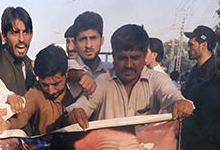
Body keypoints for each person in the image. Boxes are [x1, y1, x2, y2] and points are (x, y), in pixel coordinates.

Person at [66, 24, 194, 128]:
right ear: (114, 56)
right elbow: (81, 106)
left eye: (134, 58)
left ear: (144, 56)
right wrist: (76, 113)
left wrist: (180, 103)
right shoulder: (102, 81)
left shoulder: (158, 79)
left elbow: (171, 94)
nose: (128, 65)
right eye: (122, 58)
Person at [0, 45, 76, 136]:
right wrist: (6, 124)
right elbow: (22, 115)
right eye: (45, 85)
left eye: (56, 84)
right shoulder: (36, 92)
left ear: (67, 73)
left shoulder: (78, 86)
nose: (51, 90)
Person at [67, 11, 112, 98]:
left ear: (102, 40)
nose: (88, 45)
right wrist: (81, 75)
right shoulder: (69, 66)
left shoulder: (110, 70)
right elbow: (70, 73)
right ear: (75, 43)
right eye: (83, 39)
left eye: (93, 38)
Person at [180, 25, 217, 97]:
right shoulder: (194, 70)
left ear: (203, 45)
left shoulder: (215, 72)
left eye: (191, 45)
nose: (187, 49)